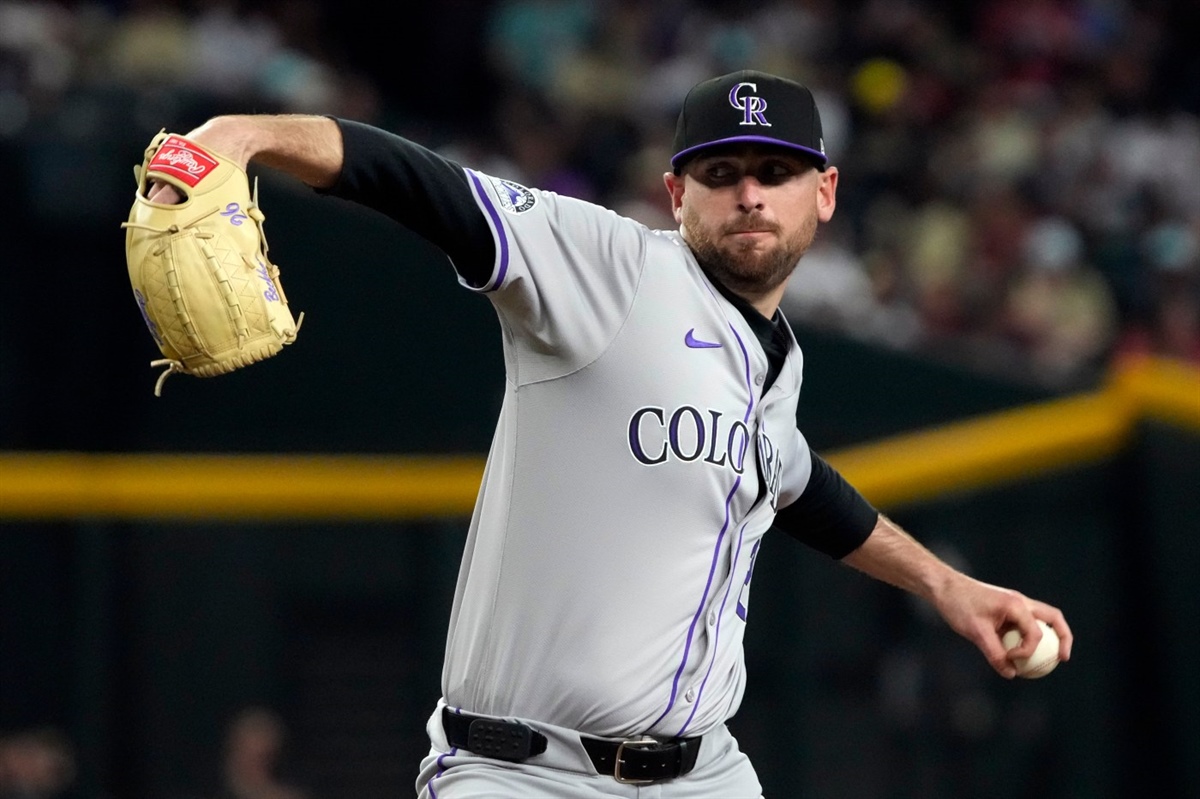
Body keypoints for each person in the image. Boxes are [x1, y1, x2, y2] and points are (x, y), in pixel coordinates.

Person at [145, 70, 1073, 798]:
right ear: (676, 192)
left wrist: (949, 587)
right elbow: (420, 185)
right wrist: (244, 136)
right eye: (720, 174)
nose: (749, 194)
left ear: (824, 193)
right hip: (520, 774)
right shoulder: (609, 267)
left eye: (775, 172)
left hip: (704, 774)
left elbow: (796, 484)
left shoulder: (779, 360)